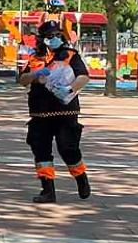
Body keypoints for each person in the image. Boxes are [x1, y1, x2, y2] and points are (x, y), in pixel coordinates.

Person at [18, 20, 92, 204]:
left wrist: (70, 89)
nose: (55, 39)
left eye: (58, 35)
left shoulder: (70, 55)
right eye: (50, 36)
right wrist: (35, 75)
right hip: (40, 113)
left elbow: (83, 76)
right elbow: (22, 79)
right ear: (42, 39)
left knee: (68, 148)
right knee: (40, 150)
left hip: (65, 112)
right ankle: (47, 189)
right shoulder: (35, 58)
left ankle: (81, 178)